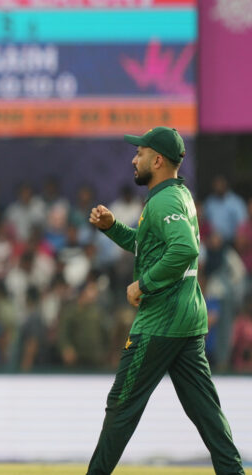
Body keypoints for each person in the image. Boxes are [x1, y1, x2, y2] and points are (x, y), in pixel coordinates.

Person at [85, 126, 244, 474]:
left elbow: (184, 249)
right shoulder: (179, 195)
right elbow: (151, 247)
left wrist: (143, 285)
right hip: (186, 319)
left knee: (121, 405)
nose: (134, 159)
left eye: (139, 153)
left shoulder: (165, 201)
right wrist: (112, 227)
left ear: (157, 160)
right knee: (207, 413)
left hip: (160, 321)